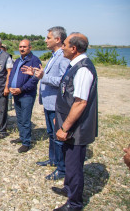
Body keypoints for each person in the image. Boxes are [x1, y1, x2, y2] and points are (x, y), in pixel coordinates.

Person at [52, 33, 98, 211]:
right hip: (70, 126)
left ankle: (75, 203)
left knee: (74, 165)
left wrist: (64, 127)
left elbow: (80, 103)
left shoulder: (83, 69)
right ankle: (69, 189)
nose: (62, 47)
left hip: (76, 129)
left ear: (74, 48)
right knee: (69, 162)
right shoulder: (74, 66)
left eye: (64, 44)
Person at [22, 26, 70, 180]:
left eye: (48, 37)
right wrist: (36, 73)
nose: (45, 40)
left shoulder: (62, 56)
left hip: (57, 103)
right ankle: (53, 159)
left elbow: (64, 81)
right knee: (51, 133)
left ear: (57, 39)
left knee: (58, 136)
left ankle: (62, 169)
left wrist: (43, 76)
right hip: (49, 103)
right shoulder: (54, 55)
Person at [8, 39, 41, 152]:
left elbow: (34, 79)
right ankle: (22, 137)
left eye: (24, 47)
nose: (22, 49)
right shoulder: (17, 61)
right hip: (16, 93)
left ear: (30, 48)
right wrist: (10, 86)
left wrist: (21, 89)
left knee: (26, 119)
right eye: (20, 46)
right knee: (20, 118)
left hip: (26, 95)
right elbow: (12, 74)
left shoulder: (34, 60)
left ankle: (26, 142)